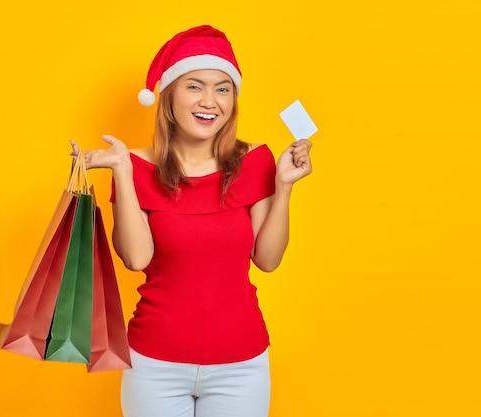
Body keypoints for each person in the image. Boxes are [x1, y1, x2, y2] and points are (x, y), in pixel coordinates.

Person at [72, 25, 312, 417]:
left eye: (223, 88)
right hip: (155, 364)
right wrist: (120, 171)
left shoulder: (256, 162)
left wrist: (283, 187)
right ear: (169, 97)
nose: (210, 100)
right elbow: (137, 258)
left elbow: (267, 260)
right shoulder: (134, 165)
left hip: (241, 365)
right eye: (195, 86)